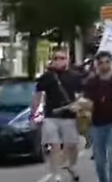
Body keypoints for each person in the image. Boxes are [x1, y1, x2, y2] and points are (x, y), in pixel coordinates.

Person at [31, 48, 84, 182]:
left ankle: (72, 166)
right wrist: (34, 114)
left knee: (71, 145)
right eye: (56, 58)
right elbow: (37, 95)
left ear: (68, 60)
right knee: (54, 146)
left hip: (69, 117)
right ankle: (56, 174)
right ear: (52, 60)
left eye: (62, 58)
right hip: (51, 116)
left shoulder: (75, 76)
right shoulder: (47, 77)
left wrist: (78, 105)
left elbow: (82, 95)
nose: (59, 61)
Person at [82, 51, 112, 182]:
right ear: (97, 64)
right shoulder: (91, 82)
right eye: (101, 62)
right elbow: (88, 102)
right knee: (99, 160)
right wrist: (85, 110)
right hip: (97, 124)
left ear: (111, 63)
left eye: (107, 62)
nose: (104, 65)